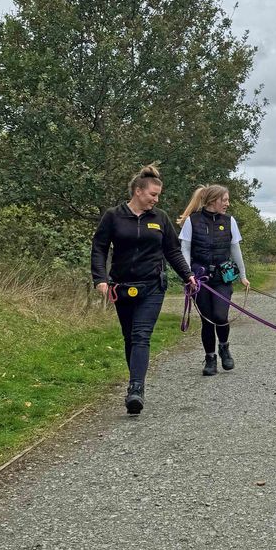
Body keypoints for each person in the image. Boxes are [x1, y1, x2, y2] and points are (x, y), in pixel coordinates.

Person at [91, 164, 197, 415]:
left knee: (141, 335)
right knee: (129, 337)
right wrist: (100, 279)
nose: (156, 199)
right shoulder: (113, 216)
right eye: (153, 194)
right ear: (138, 191)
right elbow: (99, 248)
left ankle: (135, 388)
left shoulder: (159, 218)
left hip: (152, 286)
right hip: (121, 286)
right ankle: (135, 383)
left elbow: (172, 250)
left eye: (158, 195)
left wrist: (188, 275)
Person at [177, 185, 250, 376]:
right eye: (224, 200)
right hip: (199, 279)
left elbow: (235, 249)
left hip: (222, 278)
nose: (227, 203)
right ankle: (210, 358)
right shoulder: (192, 221)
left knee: (220, 316)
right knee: (207, 320)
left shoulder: (229, 221)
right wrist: (187, 275)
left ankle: (224, 347)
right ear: (212, 200)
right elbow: (184, 248)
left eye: (227, 200)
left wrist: (242, 275)